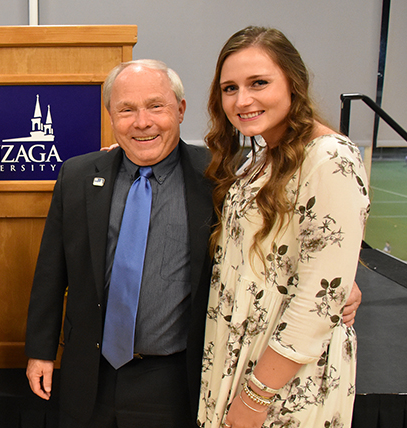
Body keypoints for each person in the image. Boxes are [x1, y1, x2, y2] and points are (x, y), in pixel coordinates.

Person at [25, 59, 215, 427]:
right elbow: (51, 271)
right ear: (111, 116)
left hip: (174, 380)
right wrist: (40, 352)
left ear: (180, 110)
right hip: (89, 375)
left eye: (155, 106)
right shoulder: (79, 176)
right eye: (126, 110)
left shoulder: (217, 176)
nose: (142, 122)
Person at [199, 26, 369, 428]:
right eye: (230, 88)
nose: (243, 100)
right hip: (240, 358)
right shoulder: (262, 156)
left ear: (294, 82)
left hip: (283, 378)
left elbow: (318, 298)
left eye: (259, 83)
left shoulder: (329, 157)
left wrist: (256, 398)